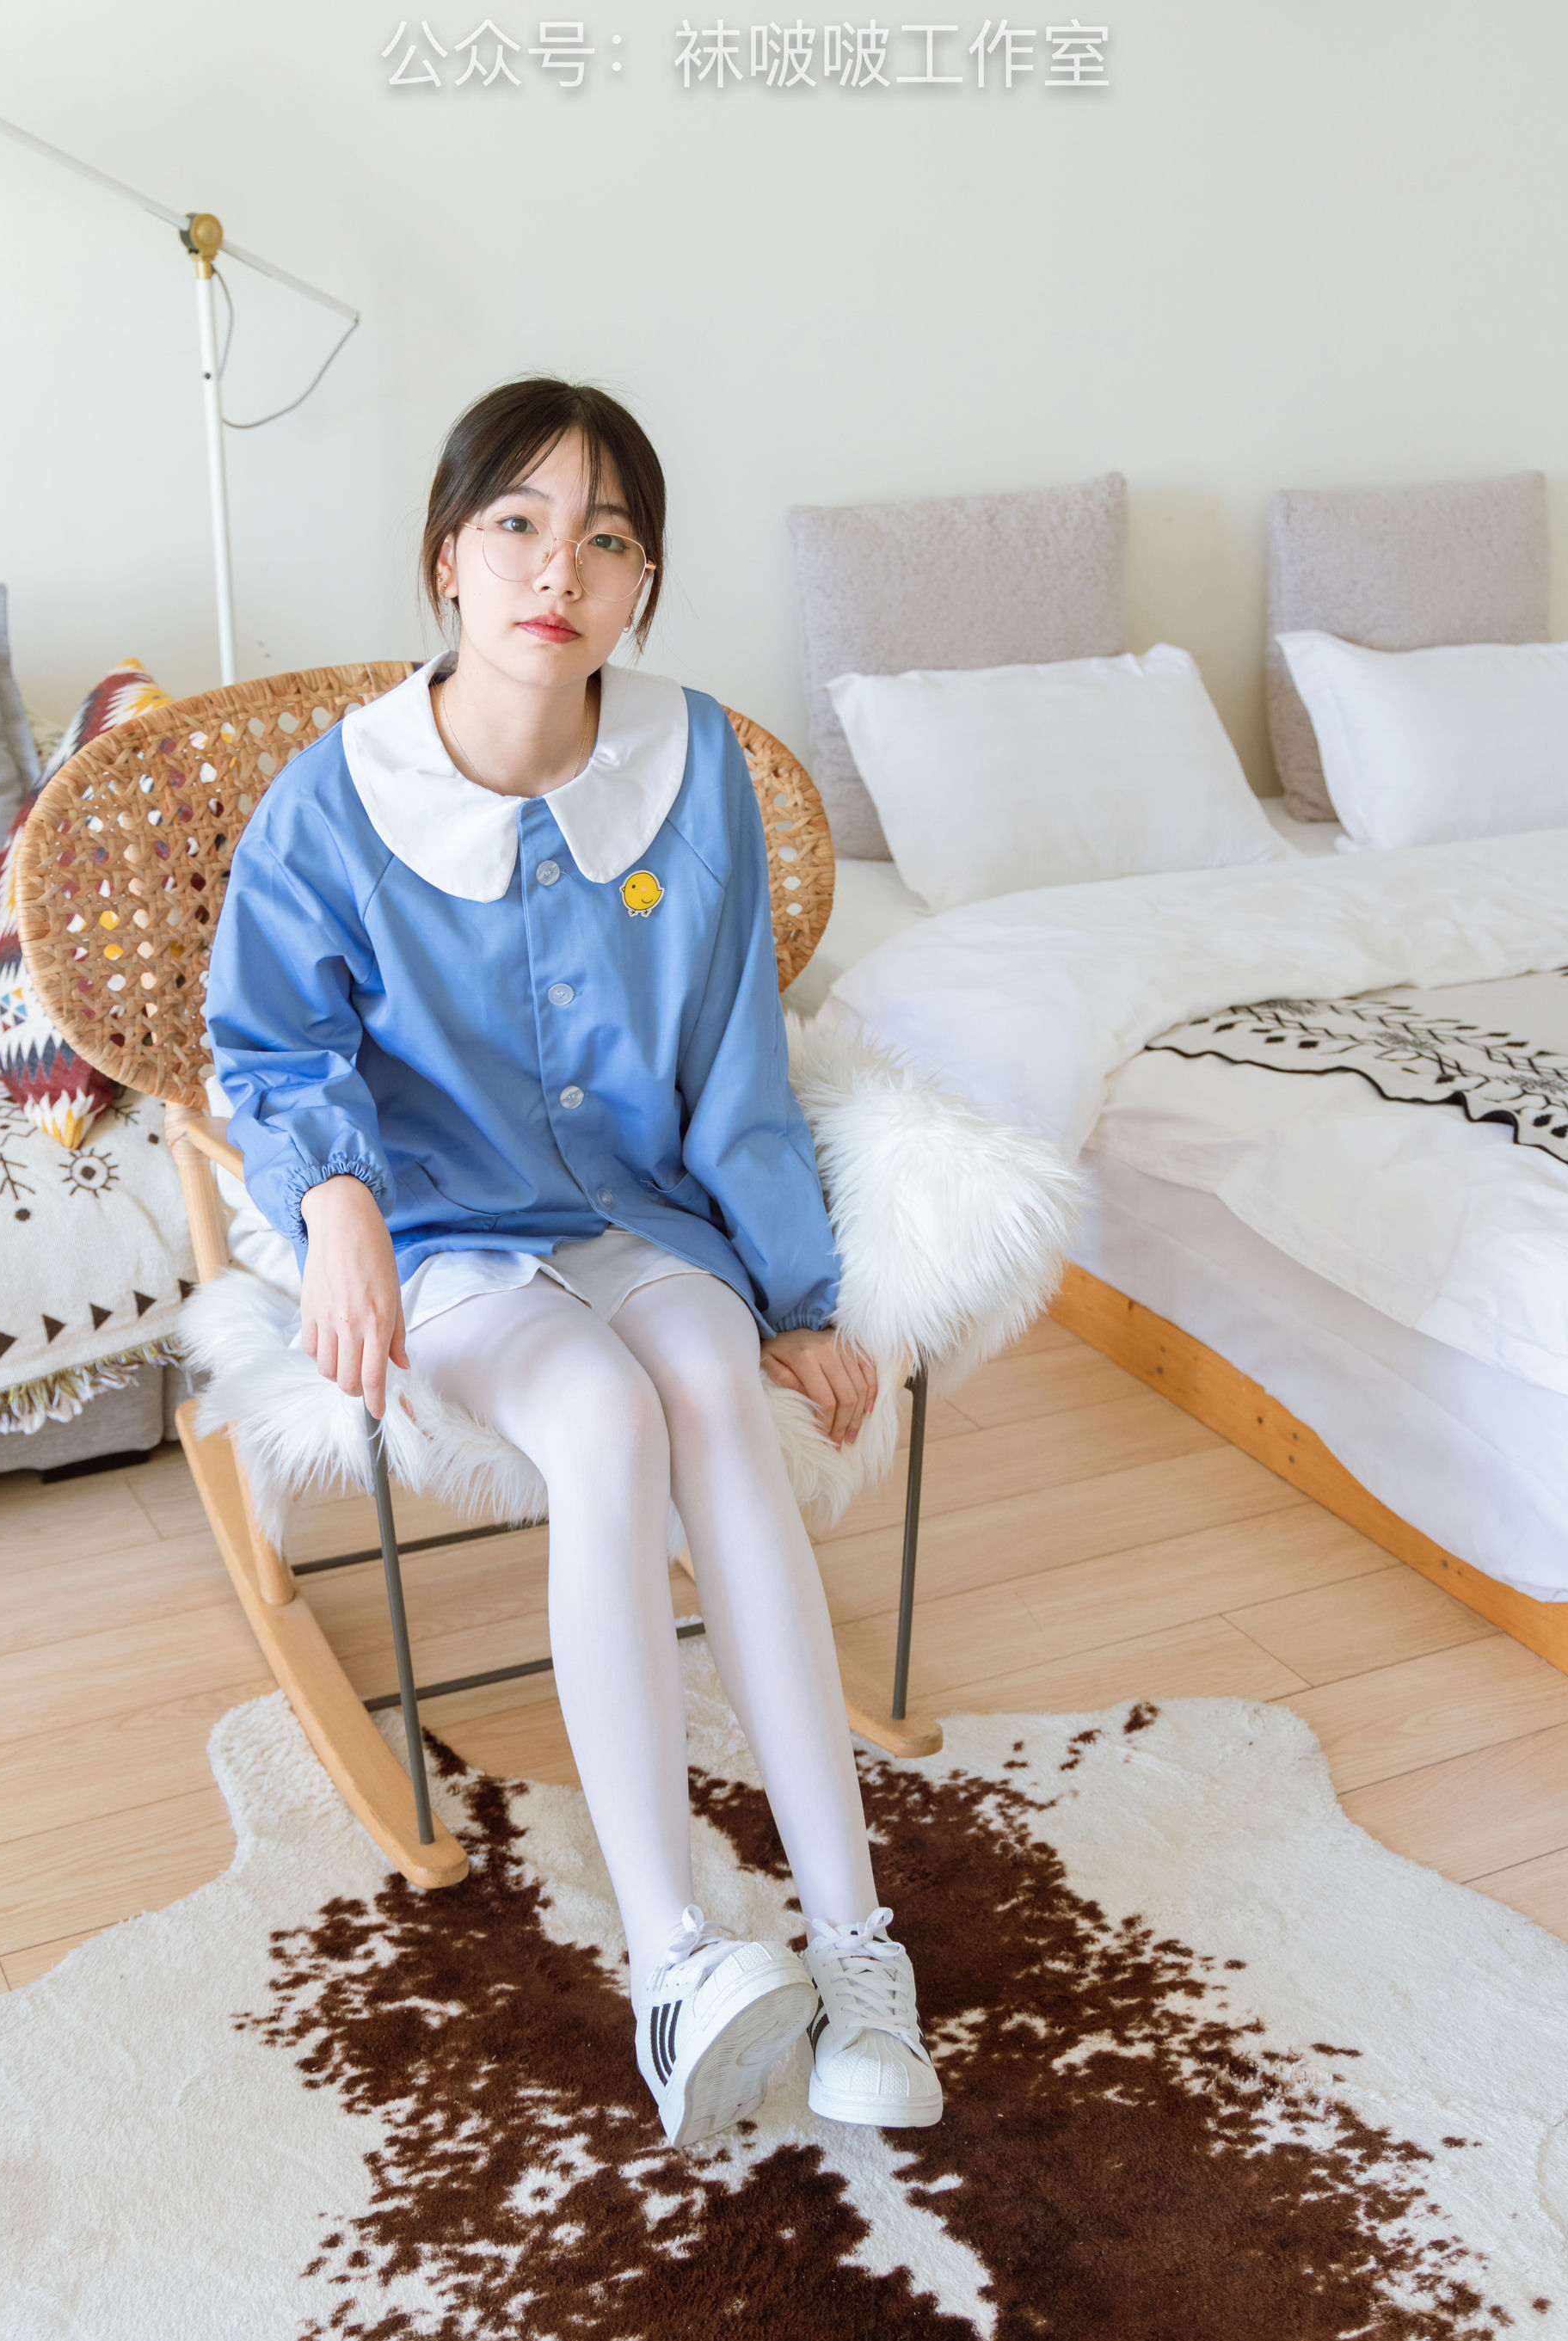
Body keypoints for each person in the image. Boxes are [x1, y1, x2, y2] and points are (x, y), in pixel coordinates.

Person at [204, 376, 942, 2147]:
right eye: (519, 524)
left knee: (708, 1388)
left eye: (606, 539)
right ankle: (676, 1962)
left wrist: (794, 1299)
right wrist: (336, 1205)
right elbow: (272, 1048)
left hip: (636, 1213)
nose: (560, 570)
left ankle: (854, 1945)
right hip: (444, 1236)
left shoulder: (695, 769)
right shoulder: (335, 802)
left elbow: (734, 1057)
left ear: (642, 584)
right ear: (446, 558)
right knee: (604, 1419)